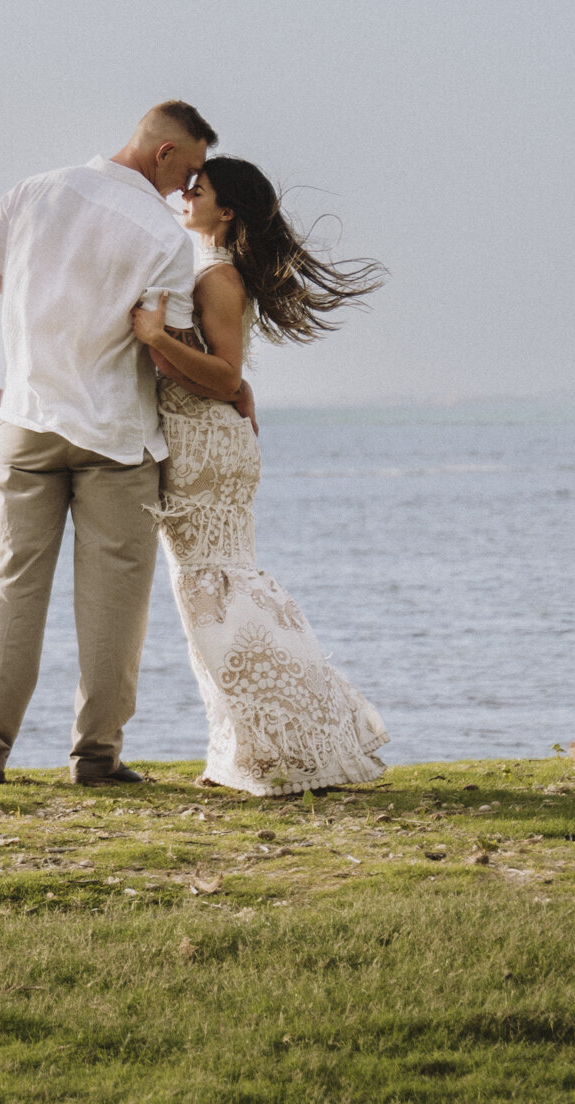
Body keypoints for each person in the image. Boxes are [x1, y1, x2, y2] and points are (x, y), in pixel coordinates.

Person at [0, 100, 219, 787]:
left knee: (11, 586)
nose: (189, 189)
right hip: (118, 439)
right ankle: (96, 758)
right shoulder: (165, 236)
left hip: (27, 420)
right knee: (115, 601)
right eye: (190, 170)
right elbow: (167, 350)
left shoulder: (33, 192)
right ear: (164, 153)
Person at [134, 155, 387, 794]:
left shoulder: (217, 274)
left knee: (214, 599)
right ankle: (256, 749)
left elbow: (223, 373)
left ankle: (290, 741)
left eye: (200, 188)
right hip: (205, 444)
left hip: (207, 453)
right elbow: (229, 377)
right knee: (215, 600)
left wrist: (156, 339)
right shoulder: (206, 268)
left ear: (227, 212)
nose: (186, 194)